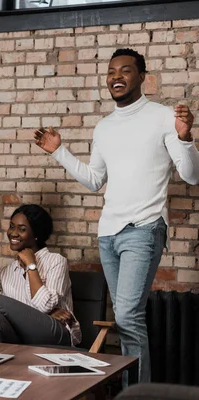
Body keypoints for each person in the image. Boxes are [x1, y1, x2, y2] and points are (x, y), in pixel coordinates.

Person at [34, 48, 199, 383]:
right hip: (108, 234)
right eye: (111, 72)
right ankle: (132, 388)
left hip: (144, 227)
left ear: (142, 77)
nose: (116, 77)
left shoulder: (164, 116)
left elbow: (192, 176)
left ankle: (139, 393)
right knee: (124, 317)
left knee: (127, 314)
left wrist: (185, 138)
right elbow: (95, 180)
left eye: (125, 71)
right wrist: (60, 152)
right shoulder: (104, 127)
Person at [0, 205, 81, 347]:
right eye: (12, 226)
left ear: (36, 234)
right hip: (22, 335)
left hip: (55, 332)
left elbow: (45, 305)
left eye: (22, 229)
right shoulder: (6, 272)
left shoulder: (56, 261)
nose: (13, 233)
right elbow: (13, 313)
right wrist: (43, 314)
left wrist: (31, 265)